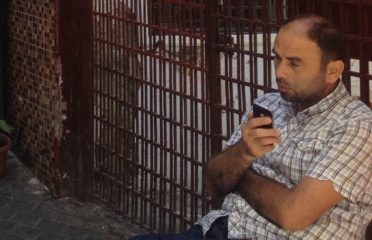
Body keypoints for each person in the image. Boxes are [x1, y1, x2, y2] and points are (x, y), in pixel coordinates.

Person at [130, 15, 372, 239]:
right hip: (222, 228)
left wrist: (240, 173)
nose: (280, 71)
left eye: (294, 63)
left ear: (333, 71)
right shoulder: (269, 104)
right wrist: (244, 152)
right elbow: (214, 184)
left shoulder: (355, 126)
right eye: (277, 57)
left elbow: (292, 215)